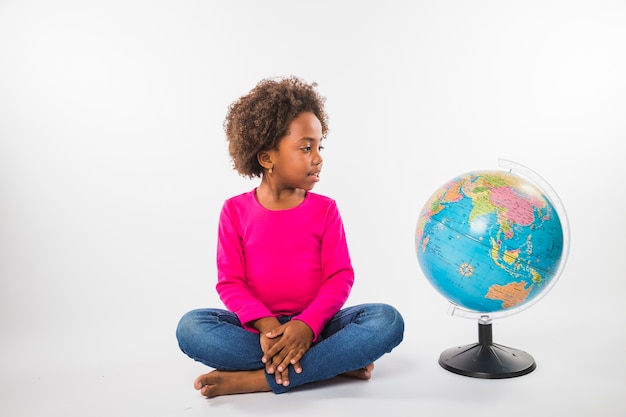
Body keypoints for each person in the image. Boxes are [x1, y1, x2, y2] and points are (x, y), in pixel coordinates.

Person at [176, 76, 404, 398]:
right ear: (267, 158)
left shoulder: (325, 210)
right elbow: (230, 283)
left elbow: (339, 277)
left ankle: (256, 380)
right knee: (191, 328)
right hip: (258, 332)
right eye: (306, 148)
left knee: (386, 320)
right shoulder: (234, 211)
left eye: (319, 146)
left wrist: (306, 326)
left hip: (318, 326)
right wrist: (269, 327)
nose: (318, 157)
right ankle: (332, 363)